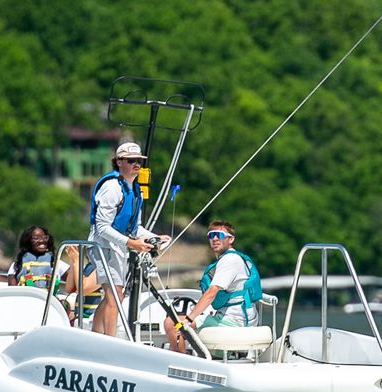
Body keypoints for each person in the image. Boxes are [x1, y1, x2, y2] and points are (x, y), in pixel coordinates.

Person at [87, 141, 168, 338]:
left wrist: (153, 237)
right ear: (119, 162)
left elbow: (135, 227)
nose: (136, 164)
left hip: (118, 247)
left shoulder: (134, 189)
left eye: (139, 161)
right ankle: (109, 341)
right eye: (131, 161)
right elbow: (102, 227)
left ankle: (95, 336)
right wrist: (132, 243)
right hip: (103, 247)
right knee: (115, 296)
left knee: (113, 297)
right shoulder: (112, 188)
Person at [163, 220, 263, 352]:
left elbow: (211, 292)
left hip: (235, 320)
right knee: (183, 323)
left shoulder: (229, 260)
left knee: (172, 323)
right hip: (237, 316)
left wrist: (188, 319)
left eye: (219, 235)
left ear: (231, 239)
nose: (215, 239)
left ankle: (179, 361)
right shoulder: (231, 259)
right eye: (211, 235)